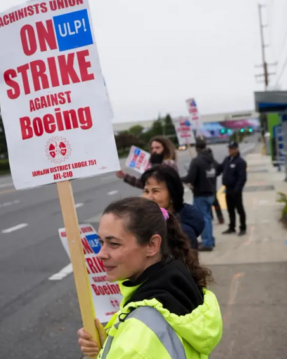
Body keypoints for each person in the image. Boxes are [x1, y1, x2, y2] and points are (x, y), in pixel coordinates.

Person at [77, 197, 223, 359]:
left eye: (114, 244)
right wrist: (107, 347)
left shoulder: (137, 336)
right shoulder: (180, 282)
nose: (101, 254)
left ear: (152, 245)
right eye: (101, 242)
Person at [140, 165, 205, 250]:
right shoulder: (148, 220)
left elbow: (189, 262)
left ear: (172, 195)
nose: (149, 197)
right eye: (146, 191)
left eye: (155, 191)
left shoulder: (183, 232)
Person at [181, 140, 217, 252]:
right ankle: (210, 239)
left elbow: (189, 178)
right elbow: (218, 170)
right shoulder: (211, 159)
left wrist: (177, 179)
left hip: (200, 194)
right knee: (208, 217)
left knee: (204, 218)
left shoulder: (196, 161)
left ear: (196, 148)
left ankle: (207, 243)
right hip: (211, 192)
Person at [218, 141, 247, 236]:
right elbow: (219, 168)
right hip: (228, 189)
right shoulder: (227, 159)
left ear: (236, 149)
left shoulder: (240, 162)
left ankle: (242, 227)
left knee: (239, 209)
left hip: (236, 190)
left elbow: (242, 177)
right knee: (230, 209)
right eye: (229, 148)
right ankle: (232, 227)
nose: (230, 150)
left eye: (232, 148)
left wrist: (237, 189)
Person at [207, 147, 225, 224]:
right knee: (214, 202)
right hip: (211, 186)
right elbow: (220, 168)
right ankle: (218, 217)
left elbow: (219, 168)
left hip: (208, 186)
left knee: (212, 203)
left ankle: (215, 217)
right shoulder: (213, 162)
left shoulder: (208, 162)